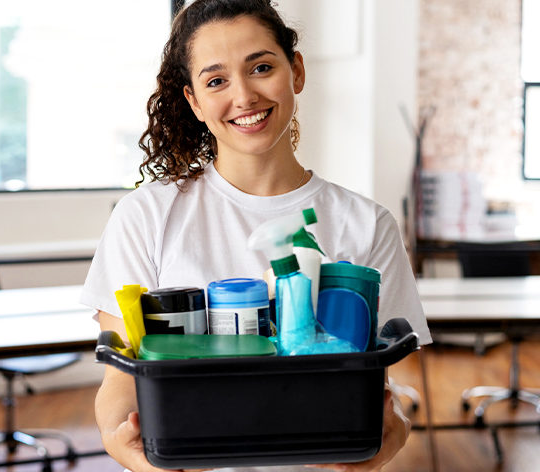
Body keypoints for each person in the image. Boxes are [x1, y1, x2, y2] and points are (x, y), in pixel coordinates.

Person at [81, 0, 432, 471]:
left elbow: (376, 384)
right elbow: (120, 385)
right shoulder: (146, 216)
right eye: (216, 80)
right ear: (194, 101)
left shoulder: (366, 224)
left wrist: (390, 433)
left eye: (261, 67)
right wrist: (125, 446)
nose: (243, 96)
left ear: (296, 71)